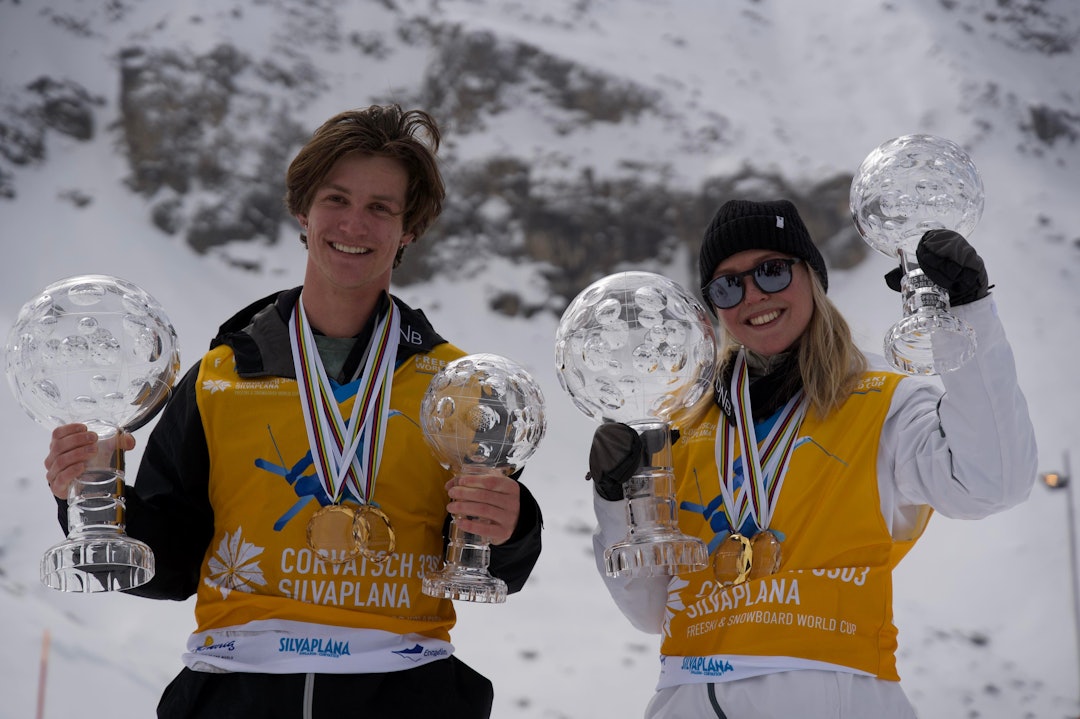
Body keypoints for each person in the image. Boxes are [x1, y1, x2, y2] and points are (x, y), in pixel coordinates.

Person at [43, 104, 543, 719]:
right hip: (236, 688)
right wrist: (88, 493)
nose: (354, 223)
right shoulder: (219, 379)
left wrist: (511, 526)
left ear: (408, 229)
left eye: (381, 207)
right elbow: (167, 568)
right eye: (336, 199)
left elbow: (494, 564)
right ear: (303, 212)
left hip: (402, 692)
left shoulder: (457, 388)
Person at [587, 198, 1037, 718]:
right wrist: (616, 495)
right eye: (727, 285)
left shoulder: (881, 401)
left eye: (772, 272)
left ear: (812, 278)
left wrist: (966, 312)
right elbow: (647, 609)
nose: (753, 295)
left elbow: (992, 481)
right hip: (688, 695)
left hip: (832, 691)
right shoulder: (680, 427)